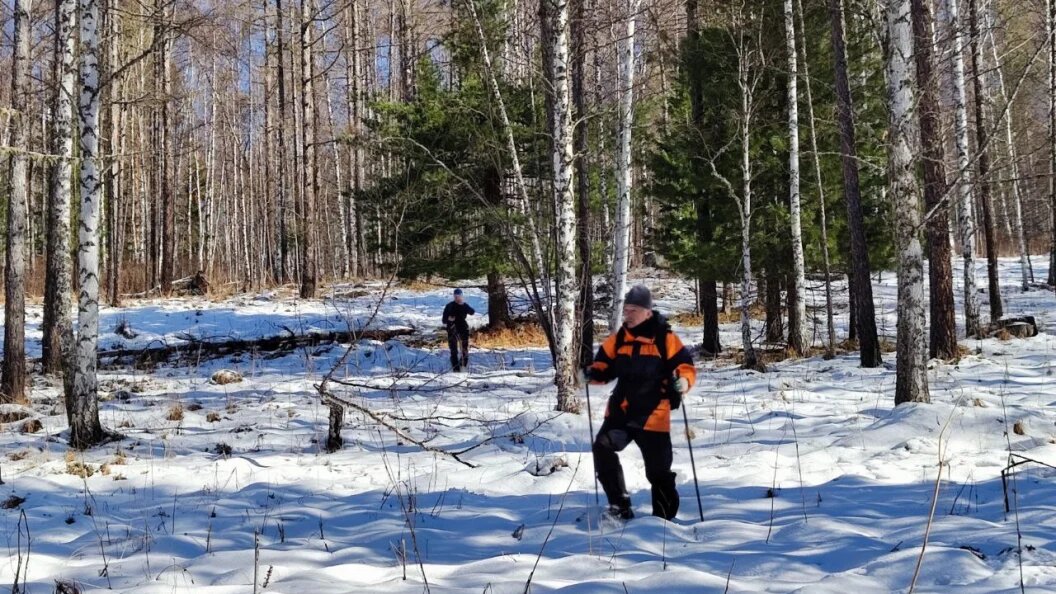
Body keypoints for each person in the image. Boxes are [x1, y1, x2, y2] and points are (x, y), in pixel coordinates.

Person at [583, 285, 696, 520]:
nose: (628, 314)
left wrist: (684, 382)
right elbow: (603, 368)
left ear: (647, 311)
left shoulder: (665, 338)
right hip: (622, 412)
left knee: (658, 472)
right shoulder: (619, 340)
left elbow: (685, 366)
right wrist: (589, 374)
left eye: (633, 310)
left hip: (653, 415)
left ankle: (664, 521)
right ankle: (619, 505)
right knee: (602, 448)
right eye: (626, 310)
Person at [442, 288, 475, 371]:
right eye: (456, 296)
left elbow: (472, 312)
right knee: (453, 350)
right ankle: (456, 369)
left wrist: (464, 305)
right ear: (454, 296)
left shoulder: (464, 305)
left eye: (459, 296)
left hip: (463, 329)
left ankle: (463, 366)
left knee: (464, 349)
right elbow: (444, 320)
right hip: (452, 329)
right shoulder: (449, 306)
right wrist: (449, 318)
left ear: (462, 296)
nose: (457, 298)